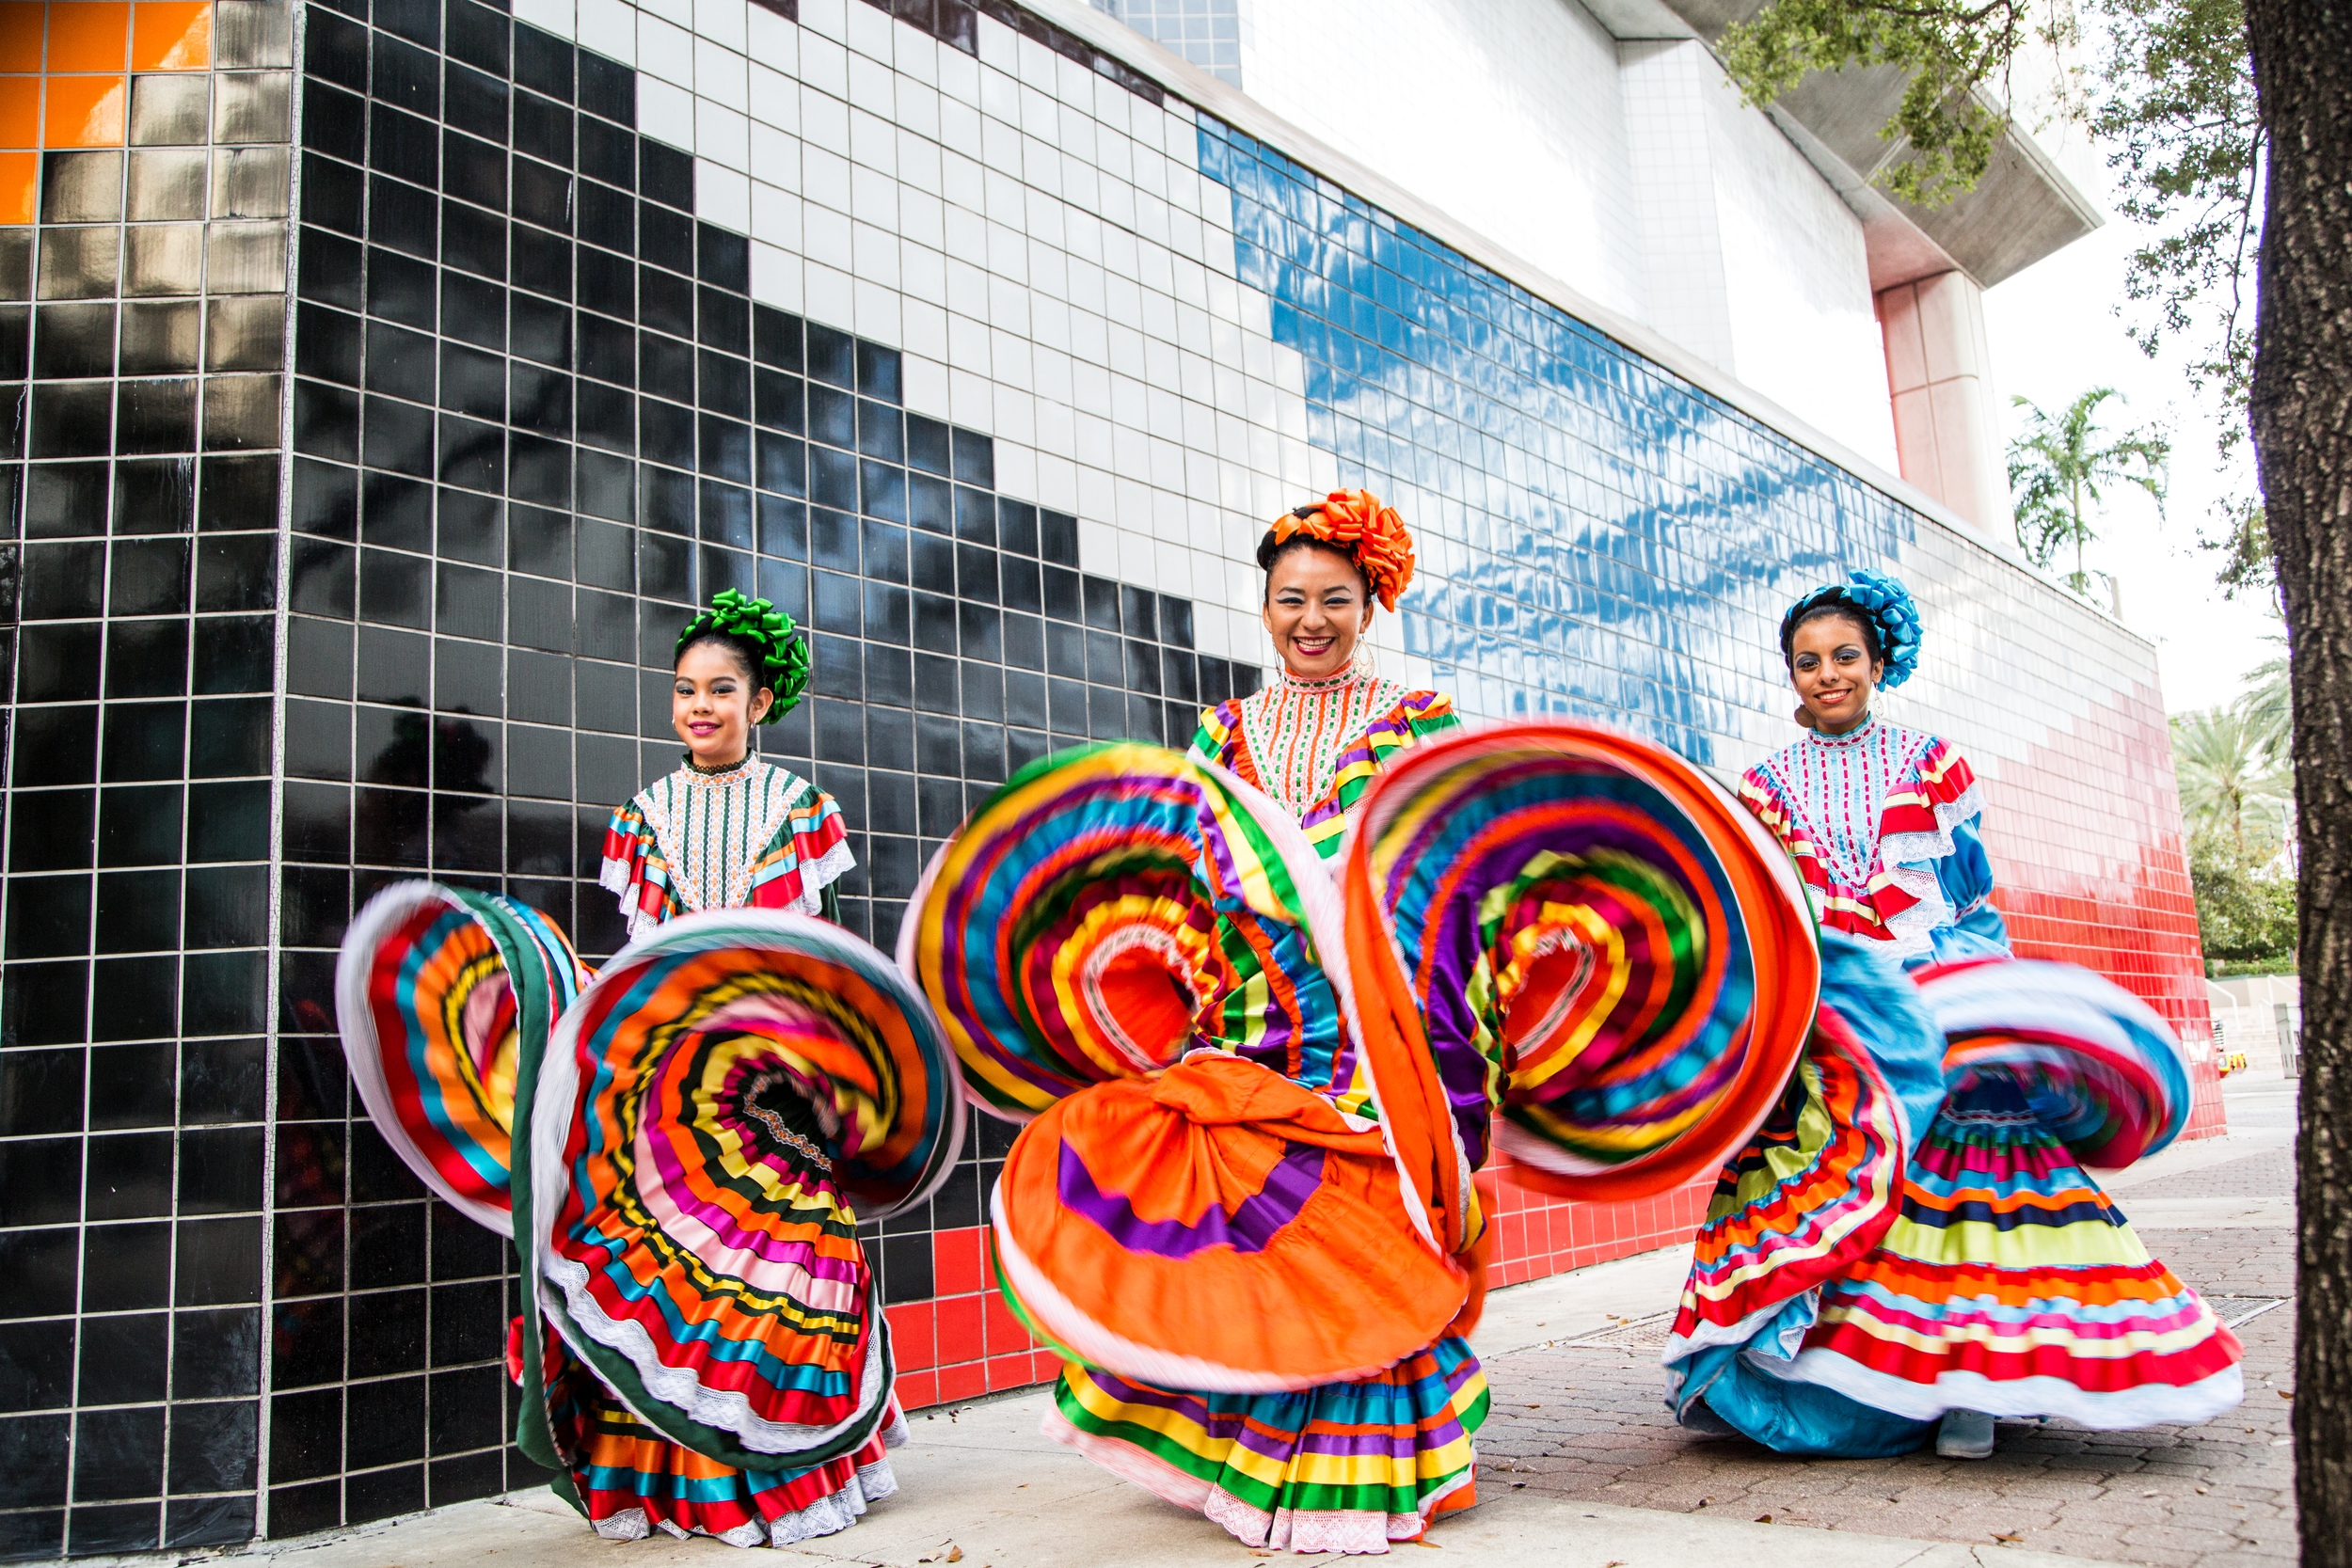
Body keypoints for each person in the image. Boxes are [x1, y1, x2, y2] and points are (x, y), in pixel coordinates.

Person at [1668, 570, 2242, 1460]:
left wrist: (1986, 1002)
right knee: (1834, 1198)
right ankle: (1836, 1384)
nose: (1827, 674)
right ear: (1790, 677)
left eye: (1844, 656)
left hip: (1942, 1009)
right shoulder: (1765, 784)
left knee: (1969, 1198)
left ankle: (1973, 1387)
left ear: (1879, 660)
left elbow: (1970, 901)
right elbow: (1764, 908)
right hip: (1832, 1018)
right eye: (1807, 661)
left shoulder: (1936, 763)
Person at [1018, 490, 1488, 1555]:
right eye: (1289, 599)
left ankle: (1352, 1469)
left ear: (1372, 602)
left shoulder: (1419, 719)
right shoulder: (1221, 729)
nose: (1309, 618)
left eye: (1334, 597)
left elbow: (1449, 866)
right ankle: (1250, 1455)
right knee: (1255, 1233)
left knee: (1357, 1231)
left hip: (1373, 1022)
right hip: (1249, 1022)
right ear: (1263, 606)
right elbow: (1193, 872)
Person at [538, 587, 904, 1545]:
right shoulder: (642, 812)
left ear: (760, 702)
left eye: (721, 688)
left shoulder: (799, 805)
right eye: (684, 689)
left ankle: (795, 1463)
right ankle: (678, 1476)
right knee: (676, 1263)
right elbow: (642, 949)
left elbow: (807, 942)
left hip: (779, 1068)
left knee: (786, 1261)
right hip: (670, 1074)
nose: (699, 705)